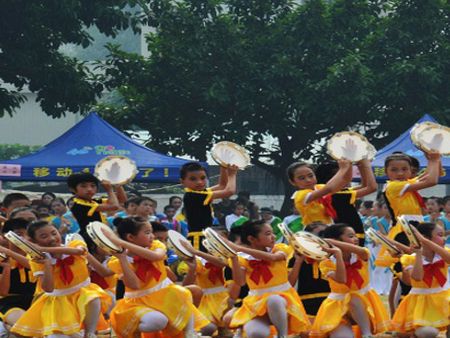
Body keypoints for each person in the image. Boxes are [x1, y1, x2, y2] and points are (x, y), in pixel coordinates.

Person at [104, 216, 212, 338]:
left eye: (151, 232)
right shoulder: (116, 261)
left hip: (164, 295)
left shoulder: (156, 245)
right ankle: (127, 328)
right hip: (137, 302)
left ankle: (189, 333)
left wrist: (121, 243)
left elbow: (156, 257)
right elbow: (134, 285)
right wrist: (123, 258)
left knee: (182, 293)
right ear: (131, 237)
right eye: (147, 232)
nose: (152, 236)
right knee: (157, 322)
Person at [11, 220, 111, 338]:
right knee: (57, 336)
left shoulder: (74, 242)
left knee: (92, 298)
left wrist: (43, 248)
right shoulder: (36, 259)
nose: (52, 238)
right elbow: (48, 288)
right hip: (58, 302)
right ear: (33, 241)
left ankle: (90, 332)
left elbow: (79, 251)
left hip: (83, 295)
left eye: (54, 233)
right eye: (44, 236)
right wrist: (47, 263)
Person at [225, 220, 310, 338]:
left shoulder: (280, 248)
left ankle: (282, 335)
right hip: (256, 302)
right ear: (252, 239)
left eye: (272, 233)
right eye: (268, 234)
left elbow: (273, 258)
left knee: (274, 300)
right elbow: (240, 282)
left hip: (285, 299)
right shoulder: (242, 258)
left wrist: (239, 248)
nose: (273, 237)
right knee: (256, 333)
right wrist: (233, 256)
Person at [310, 224, 391, 338]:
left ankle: (366, 334)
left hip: (364, 304)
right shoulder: (326, 263)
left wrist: (330, 242)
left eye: (355, 235)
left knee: (353, 297)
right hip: (337, 305)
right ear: (337, 240)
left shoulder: (361, 254)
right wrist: (337, 254)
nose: (356, 238)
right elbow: (342, 279)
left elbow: (360, 251)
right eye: (351, 236)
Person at [392, 222, 450, 337]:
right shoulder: (409, 259)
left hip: (442, 298)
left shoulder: (444, 253)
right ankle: (410, 334)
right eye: (439, 235)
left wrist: (422, 239)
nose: (443, 238)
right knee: (428, 333)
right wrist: (418, 253)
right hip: (421, 302)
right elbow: (417, 277)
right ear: (426, 237)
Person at [315, 158, 377, 246]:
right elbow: (372, 187)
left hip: (347, 237)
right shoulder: (338, 195)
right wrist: (366, 165)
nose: (349, 178)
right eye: (344, 175)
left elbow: (364, 185)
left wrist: (361, 166)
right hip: (350, 239)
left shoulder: (332, 193)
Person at [180, 162, 238, 249]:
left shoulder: (200, 192)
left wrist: (223, 167)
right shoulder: (194, 195)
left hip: (206, 235)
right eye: (193, 179)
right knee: (203, 262)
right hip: (199, 238)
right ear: (182, 182)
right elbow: (229, 191)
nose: (199, 182)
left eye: (203, 178)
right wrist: (232, 175)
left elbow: (222, 185)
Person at [287, 159, 352, 226]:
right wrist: (342, 169)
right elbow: (329, 188)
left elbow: (345, 180)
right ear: (292, 182)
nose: (308, 180)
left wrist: (350, 165)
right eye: (302, 178)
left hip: (328, 228)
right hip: (315, 233)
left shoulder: (319, 187)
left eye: (310, 176)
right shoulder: (300, 195)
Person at [288, 223, 330, 321]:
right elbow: (290, 283)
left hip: (330, 301)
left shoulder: (334, 255)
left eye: (326, 235)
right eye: (321, 234)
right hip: (306, 303)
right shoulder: (296, 257)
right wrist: (298, 261)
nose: (323, 238)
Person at [67, 172, 122, 243]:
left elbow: (121, 199)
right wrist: (109, 190)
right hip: (90, 240)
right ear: (72, 189)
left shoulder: (94, 201)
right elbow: (114, 206)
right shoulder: (79, 204)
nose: (89, 189)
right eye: (83, 186)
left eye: (93, 186)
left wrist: (118, 185)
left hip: (99, 237)